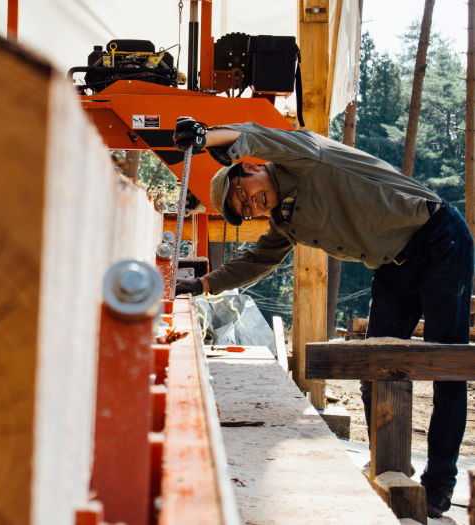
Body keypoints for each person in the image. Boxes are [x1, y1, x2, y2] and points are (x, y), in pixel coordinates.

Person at [173, 118, 474, 519]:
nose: (253, 206)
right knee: (375, 369)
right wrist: (202, 285)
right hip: (393, 267)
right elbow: (258, 260)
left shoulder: (301, 158)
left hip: (440, 240)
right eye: (245, 210)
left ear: (251, 168)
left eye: (246, 195)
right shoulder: (284, 219)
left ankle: (438, 486)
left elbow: (255, 132)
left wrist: (206, 137)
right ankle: (390, 467)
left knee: (445, 370)